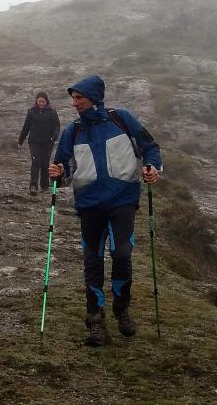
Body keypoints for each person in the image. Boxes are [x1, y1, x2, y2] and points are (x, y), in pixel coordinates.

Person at [49, 75, 162, 347]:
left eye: (79, 98)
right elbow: (60, 168)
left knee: (122, 253)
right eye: (73, 99)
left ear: (94, 97)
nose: (75, 103)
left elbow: (150, 146)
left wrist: (152, 167)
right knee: (93, 261)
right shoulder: (72, 131)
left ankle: (121, 307)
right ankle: (95, 320)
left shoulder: (121, 119)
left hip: (123, 199)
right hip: (89, 204)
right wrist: (57, 173)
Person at [18, 91, 61, 195]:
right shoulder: (31, 112)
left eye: (43, 101)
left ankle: (45, 185)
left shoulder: (52, 112)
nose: (41, 103)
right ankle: (33, 186)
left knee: (45, 163)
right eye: (40, 101)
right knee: (36, 161)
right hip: (34, 141)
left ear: (47, 101)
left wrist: (53, 138)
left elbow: (57, 126)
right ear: (36, 101)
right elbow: (26, 127)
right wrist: (20, 140)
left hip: (48, 141)